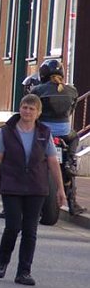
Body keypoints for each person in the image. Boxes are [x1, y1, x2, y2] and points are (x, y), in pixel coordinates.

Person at [0, 93, 66, 286]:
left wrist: (60, 190)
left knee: (30, 230)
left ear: (38, 113)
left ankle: (24, 271)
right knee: (13, 226)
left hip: (36, 187)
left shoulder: (44, 133)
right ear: (20, 109)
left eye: (32, 109)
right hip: (12, 186)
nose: (27, 111)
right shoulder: (6, 132)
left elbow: (53, 162)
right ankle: (3, 261)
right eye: (25, 107)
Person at [31, 59, 85, 216]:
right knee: (74, 139)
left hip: (43, 131)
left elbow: (33, 110)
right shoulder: (72, 90)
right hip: (64, 132)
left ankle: (14, 203)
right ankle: (70, 160)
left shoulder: (38, 90)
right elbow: (70, 111)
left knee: (24, 155)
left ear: (43, 74)